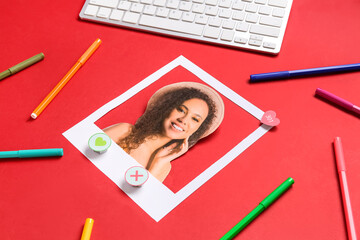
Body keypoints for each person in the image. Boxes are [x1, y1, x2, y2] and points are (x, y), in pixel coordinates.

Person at [104, 82, 224, 182]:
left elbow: (139, 201)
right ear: (167, 108)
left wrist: (159, 162)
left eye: (195, 119)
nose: (183, 120)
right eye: (181, 110)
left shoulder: (164, 166)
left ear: (198, 129)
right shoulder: (125, 131)